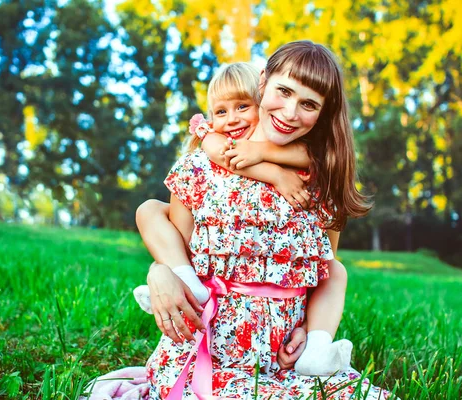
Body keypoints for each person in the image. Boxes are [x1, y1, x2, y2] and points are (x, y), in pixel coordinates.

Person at [142, 40, 395, 399]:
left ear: (323, 113)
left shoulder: (319, 183)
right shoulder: (200, 169)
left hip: (289, 361)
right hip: (217, 354)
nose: (291, 112)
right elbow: (176, 252)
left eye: (308, 104)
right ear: (263, 82)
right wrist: (158, 272)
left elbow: (326, 270)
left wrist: (310, 327)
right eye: (284, 91)